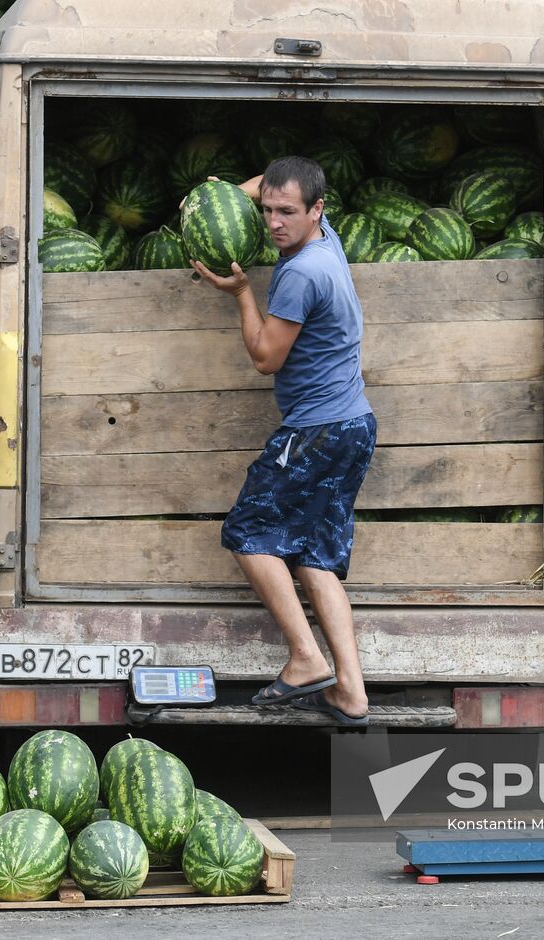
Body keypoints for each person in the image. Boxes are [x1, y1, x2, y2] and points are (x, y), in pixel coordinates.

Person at [190, 156, 376, 727]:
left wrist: (243, 292)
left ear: (316, 209)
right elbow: (260, 195)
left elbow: (267, 358)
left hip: (315, 432)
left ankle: (305, 657)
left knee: (248, 532)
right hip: (354, 426)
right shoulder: (328, 244)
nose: (273, 223)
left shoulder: (299, 274)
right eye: (266, 209)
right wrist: (223, 193)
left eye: (286, 212)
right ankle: (351, 691)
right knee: (315, 559)